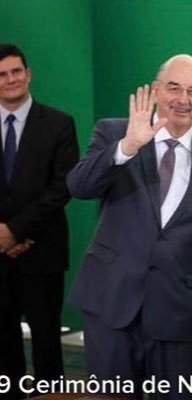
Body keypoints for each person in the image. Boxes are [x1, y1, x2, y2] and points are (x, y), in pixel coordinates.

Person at [67, 54, 192, 400]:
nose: (183, 99)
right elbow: (79, 186)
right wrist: (127, 147)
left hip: (181, 315)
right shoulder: (115, 132)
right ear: (156, 90)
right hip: (111, 306)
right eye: (174, 88)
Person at [0, 44, 79, 399]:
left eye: (16, 71)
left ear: (28, 74)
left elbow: (62, 187)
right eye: (2, 74)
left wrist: (15, 231)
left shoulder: (60, 124)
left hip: (42, 253)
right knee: (3, 345)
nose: (10, 79)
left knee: (47, 342)